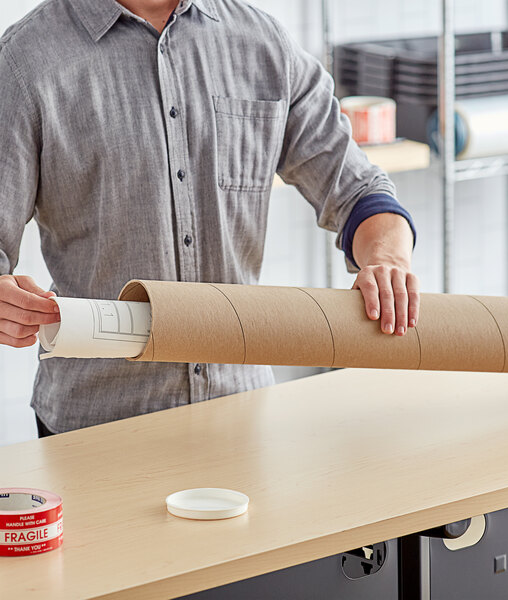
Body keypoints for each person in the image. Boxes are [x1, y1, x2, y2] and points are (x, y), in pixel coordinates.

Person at [0, 0, 419, 437]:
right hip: (94, 426)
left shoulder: (263, 45)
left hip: (242, 416)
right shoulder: (25, 60)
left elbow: (361, 191)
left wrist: (388, 258)